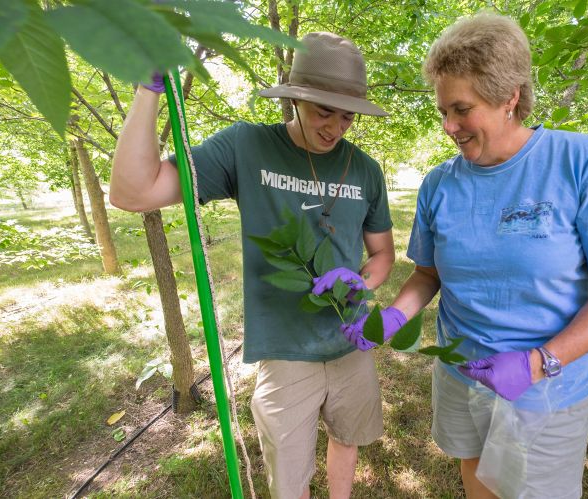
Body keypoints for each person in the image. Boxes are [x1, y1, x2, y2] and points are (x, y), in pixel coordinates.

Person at [339, 13, 588, 498]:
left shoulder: (583, 163)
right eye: (443, 112)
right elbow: (428, 275)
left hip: (546, 391)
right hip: (460, 376)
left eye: (462, 109)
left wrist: (538, 362)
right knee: (479, 486)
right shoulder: (438, 184)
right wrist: (392, 316)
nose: (449, 126)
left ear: (510, 96)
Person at [110, 32, 395, 499]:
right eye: (324, 111)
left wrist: (359, 283)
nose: (336, 127)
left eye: (347, 116)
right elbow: (132, 192)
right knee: (288, 477)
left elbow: (383, 254)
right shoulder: (247, 146)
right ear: (296, 98)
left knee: (348, 438)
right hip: (284, 351)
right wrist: (149, 90)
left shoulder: (365, 169)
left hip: (351, 342)